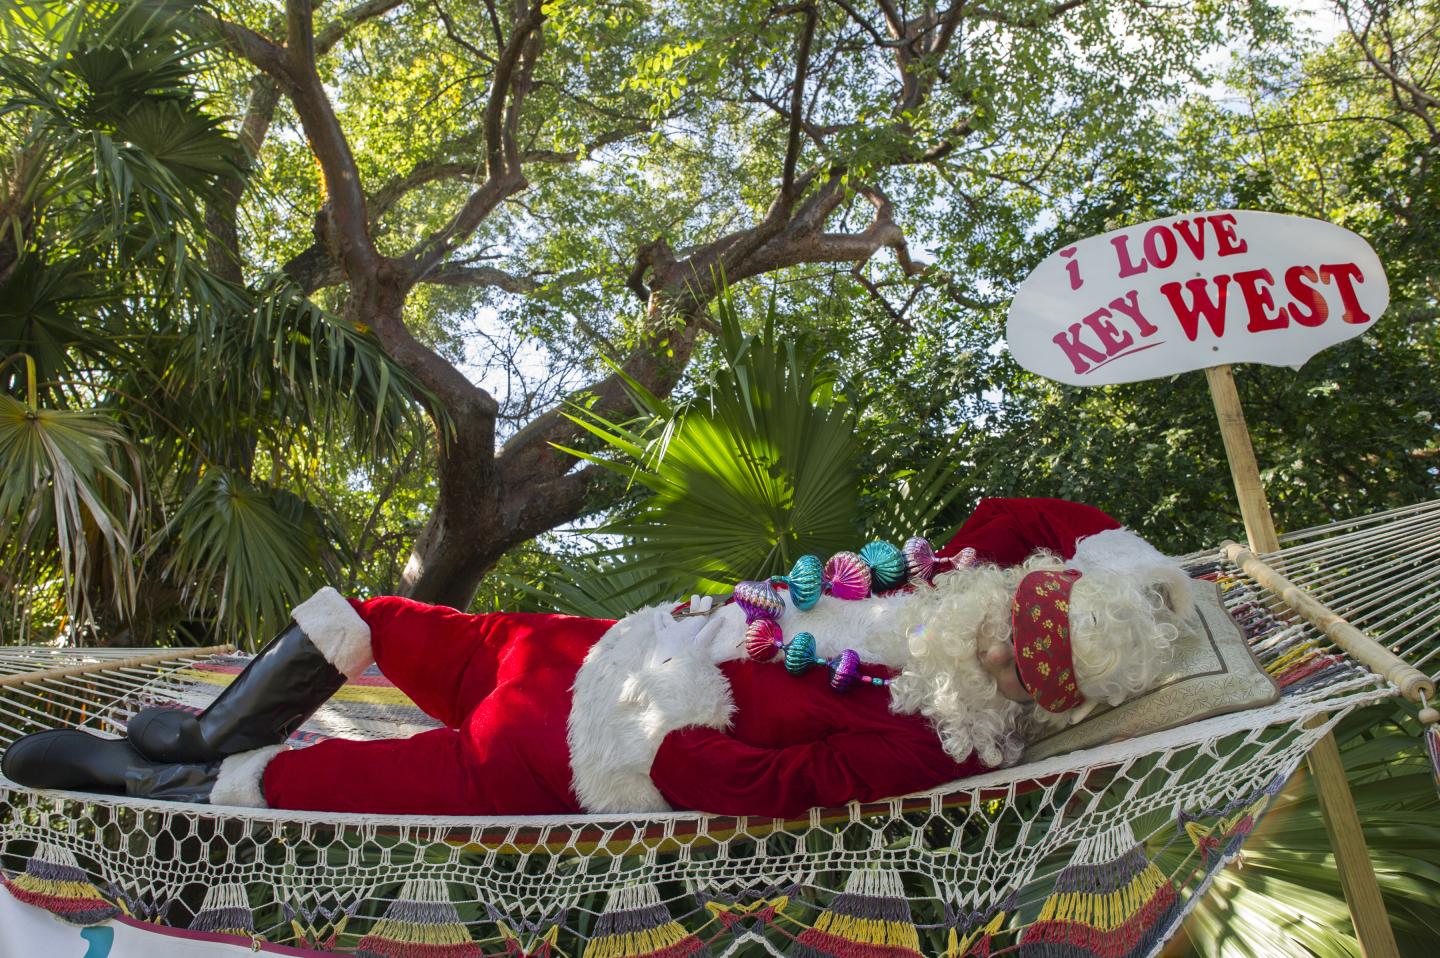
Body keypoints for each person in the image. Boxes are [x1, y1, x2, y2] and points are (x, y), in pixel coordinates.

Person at [1, 498, 1194, 819]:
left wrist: (672, 745)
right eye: (1024, 599)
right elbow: (1027, 508)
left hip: (563, 754)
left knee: (310, 787)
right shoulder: (951, 574)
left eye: (1018, 644)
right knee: (369, 613)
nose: (996, 622)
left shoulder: (936, 738)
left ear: (1035, 685)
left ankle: (153, 775)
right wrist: (1128, 564)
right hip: (562, 649)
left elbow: (775, 791)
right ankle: (207, 734)